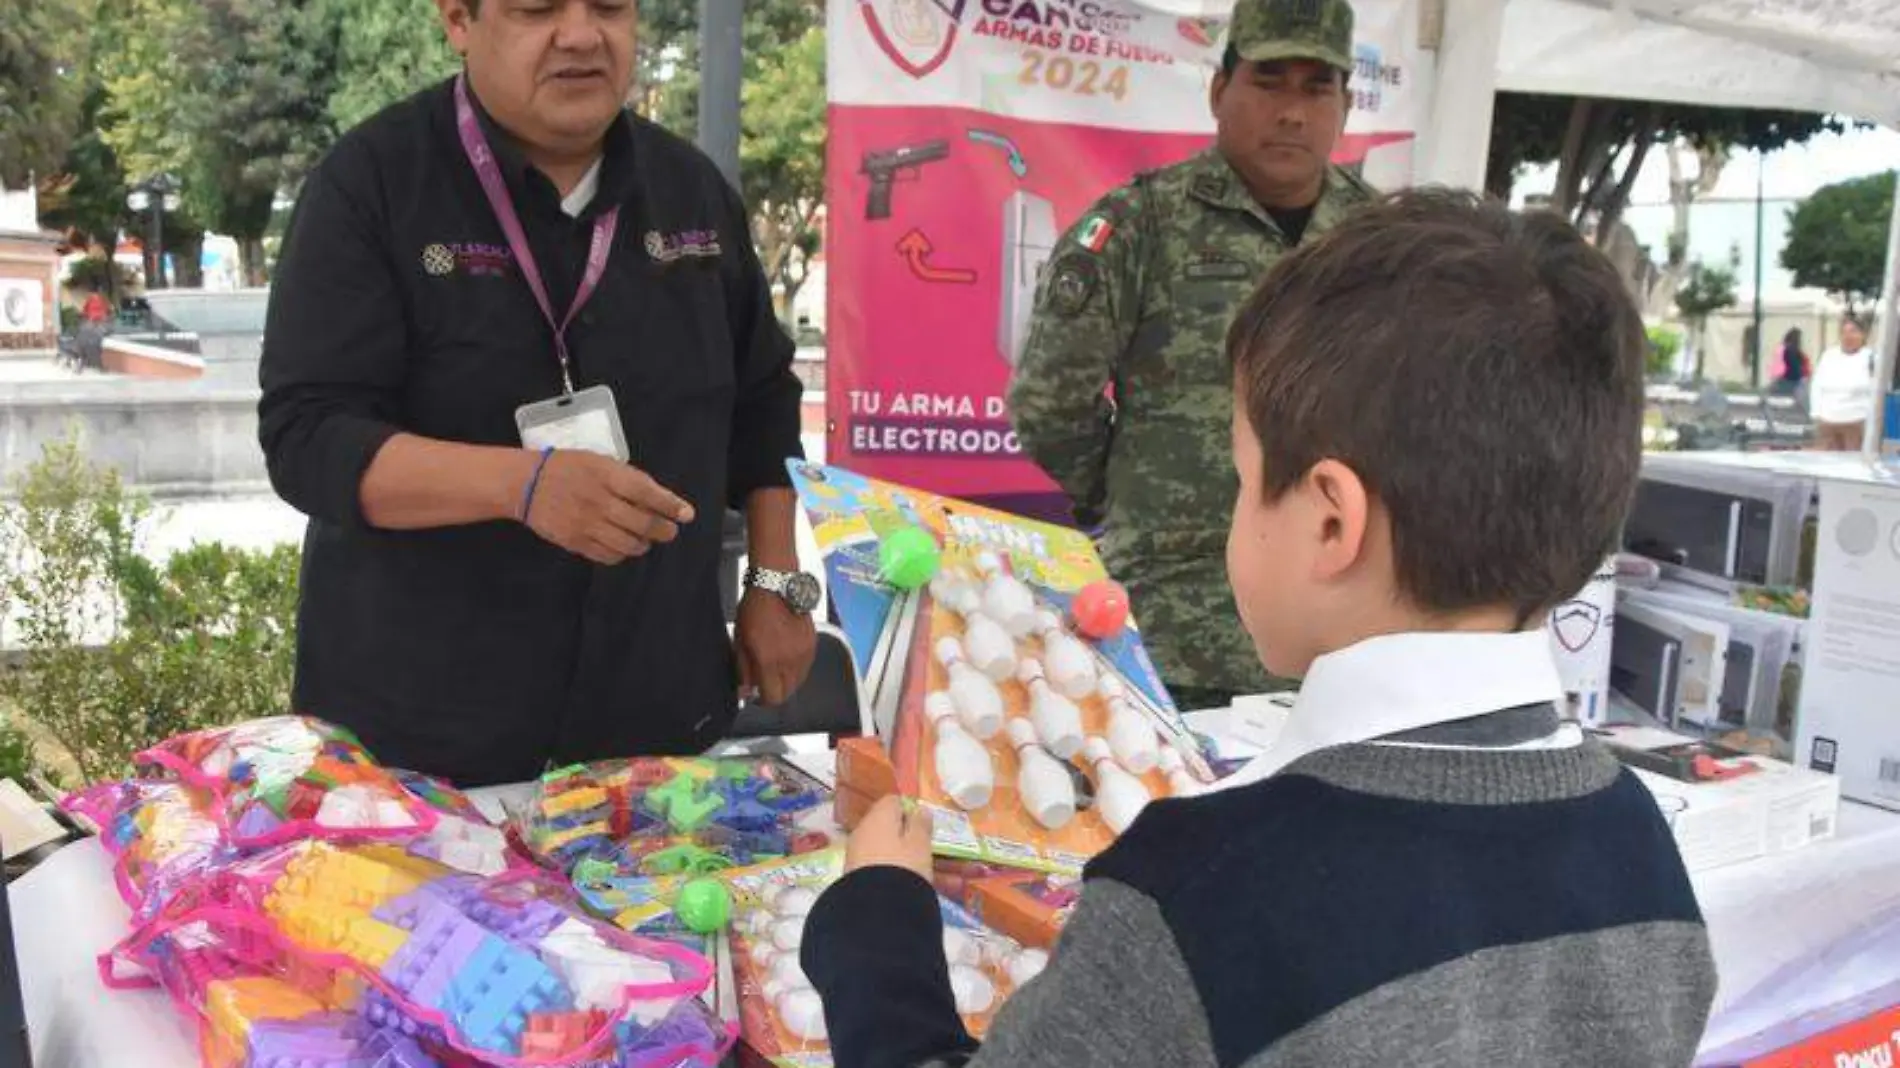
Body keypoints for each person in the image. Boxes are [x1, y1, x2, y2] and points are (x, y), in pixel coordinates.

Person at [800, 190, 1716, 1068]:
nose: (1237, 508)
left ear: (1330, 521)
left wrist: (876, 919)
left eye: (1241, 479)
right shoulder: (1637, 839)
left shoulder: (1204, 891)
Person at [257, 0, 819, 786]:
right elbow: (307, 437)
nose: (582, 34)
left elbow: (763, 397)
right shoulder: (372, 185)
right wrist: (520, 486)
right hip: (424, 748)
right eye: (538, 8)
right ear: (458, 19)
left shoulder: (692, 195)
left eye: (610, 7)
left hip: (654, 731)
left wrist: (775, 580)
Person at [1007, 0, 1376, 711]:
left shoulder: (1381, 243)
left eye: (1315, 87)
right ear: (1219, 91)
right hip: (1173, 630)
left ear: (1344, 104)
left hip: (1340, 643)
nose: (1293, 112)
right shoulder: (1142, 225)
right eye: (1269, 82)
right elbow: (1050, 402)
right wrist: (1126, 498)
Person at [1810, 314, 1876, 451]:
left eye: (1853, 332)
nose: (1848, 337)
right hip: (1827, 420)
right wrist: (1816, 413)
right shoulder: (1829, 355)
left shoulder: (1870, 356)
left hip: (1857, 420)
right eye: (1844, 332)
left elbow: (1877, 388)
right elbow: (1817, 385)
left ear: (1862, 335)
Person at [1770, 327, 1809, 401]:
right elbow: (1795, 368)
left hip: (1781, 380)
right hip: (1791, 381)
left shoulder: (1782, 348)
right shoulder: (1793, 351)